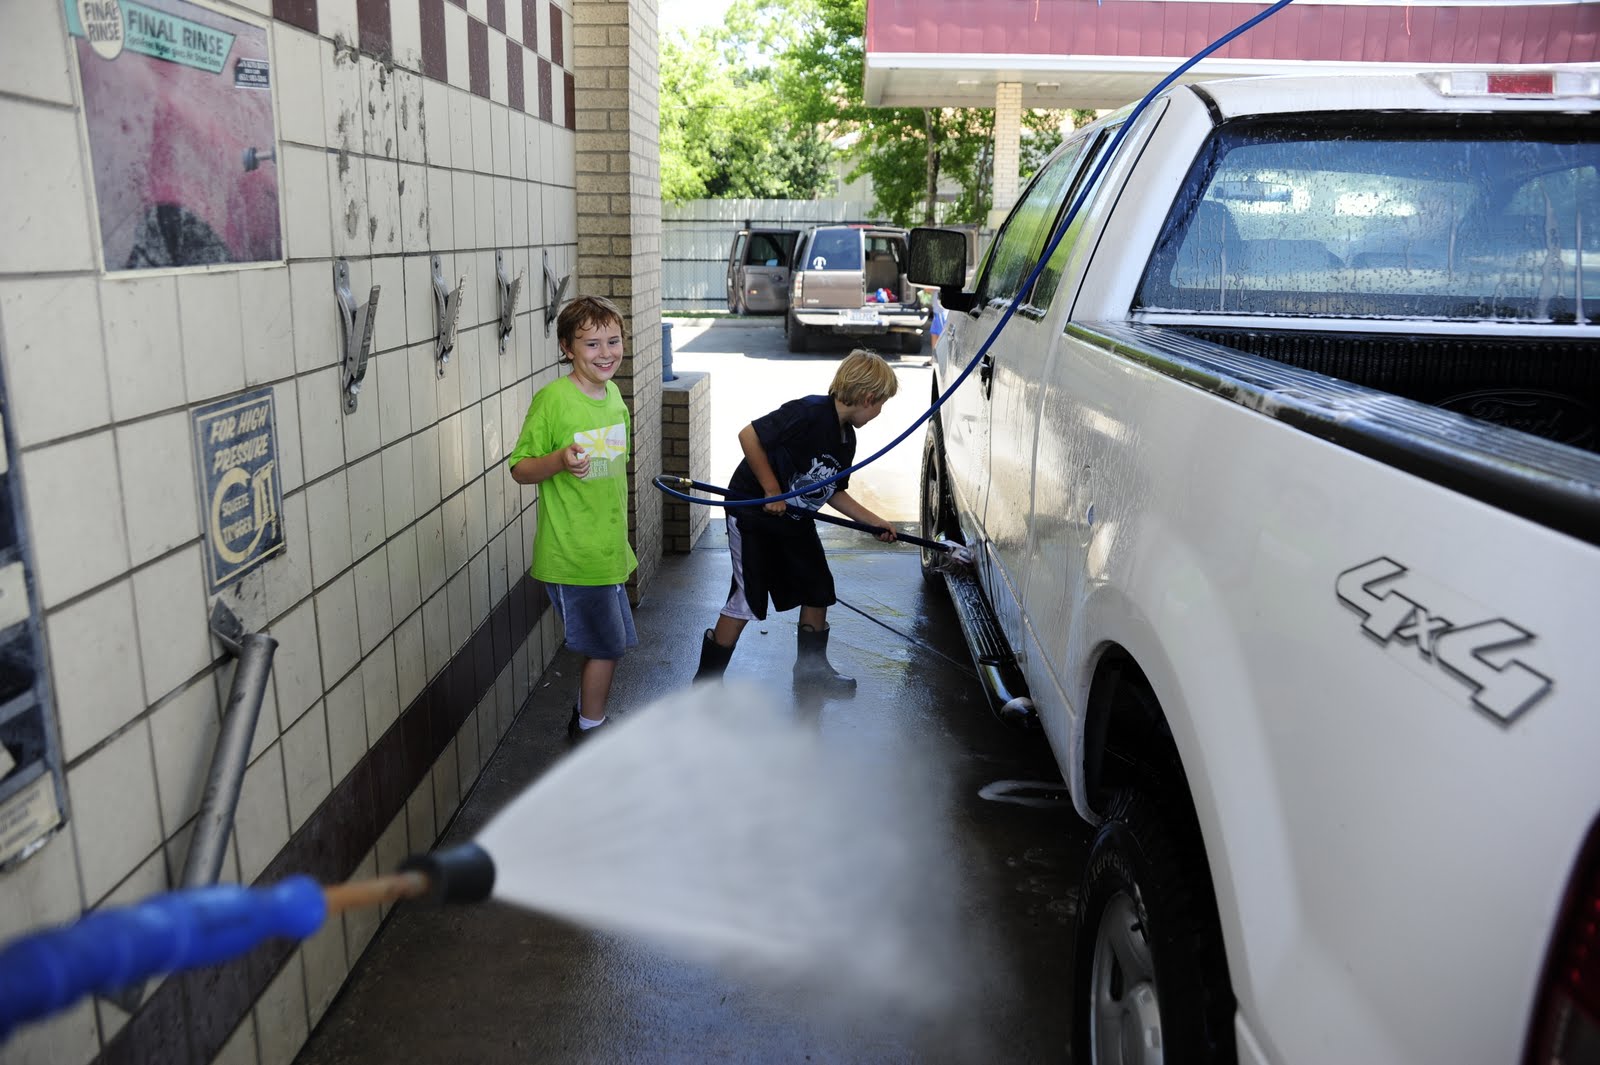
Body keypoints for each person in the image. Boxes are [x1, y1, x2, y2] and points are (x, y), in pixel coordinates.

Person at [693, 349, 900, 692]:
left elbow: (832, 491)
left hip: (794, 520)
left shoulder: (846, 439)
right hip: (752, 514)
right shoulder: (808, 412)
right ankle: (705, 688)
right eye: (881, 404)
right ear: (868, 398)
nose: (880, 412)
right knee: (747, 597)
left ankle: (811, 674)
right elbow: (748, 436)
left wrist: (873, 521)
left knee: (818, 588)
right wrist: (771, 489)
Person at [508, 296, 638, 744]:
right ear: (567, 348)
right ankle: (589, 733)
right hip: (574, 553)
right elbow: (520, 468)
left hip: (608, 551)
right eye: (591, 344)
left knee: (609, 645)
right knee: (606, 646)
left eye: (613, 341)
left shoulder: (614, 395)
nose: (606, 353)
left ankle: (586, 719)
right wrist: (560, 460)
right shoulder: (553, 401)